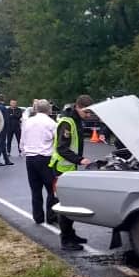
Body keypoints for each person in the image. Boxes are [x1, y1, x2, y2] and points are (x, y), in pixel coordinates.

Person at [50, 94, 93, 251]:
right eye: (86, 112)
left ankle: (71, 234)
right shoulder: (67, 122)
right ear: (78, 106)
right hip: (62, 167)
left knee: (71, 203)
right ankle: (66, 240)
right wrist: (79, 159)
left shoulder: (76, 119)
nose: (88, 116)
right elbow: (62, 148)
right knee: (65, 205)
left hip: (69, 167)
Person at [22, 99, 59, 225]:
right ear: (49, 109)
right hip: (45, 158)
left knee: (35, 189)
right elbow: (56, 141)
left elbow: (23, 139)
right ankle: (51, 215)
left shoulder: (28, 122)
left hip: (30, 158)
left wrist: (24, 151)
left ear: (36, 109)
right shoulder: (52, 123)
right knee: (51, 189)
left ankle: (38, 216)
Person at [0, 94, 13, 166]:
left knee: (3, 144)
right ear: (3, 99)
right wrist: (8, 128)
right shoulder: (3, 108)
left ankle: (6, 160)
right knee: (2, 144)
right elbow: (5, 119)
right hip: (3, 128)